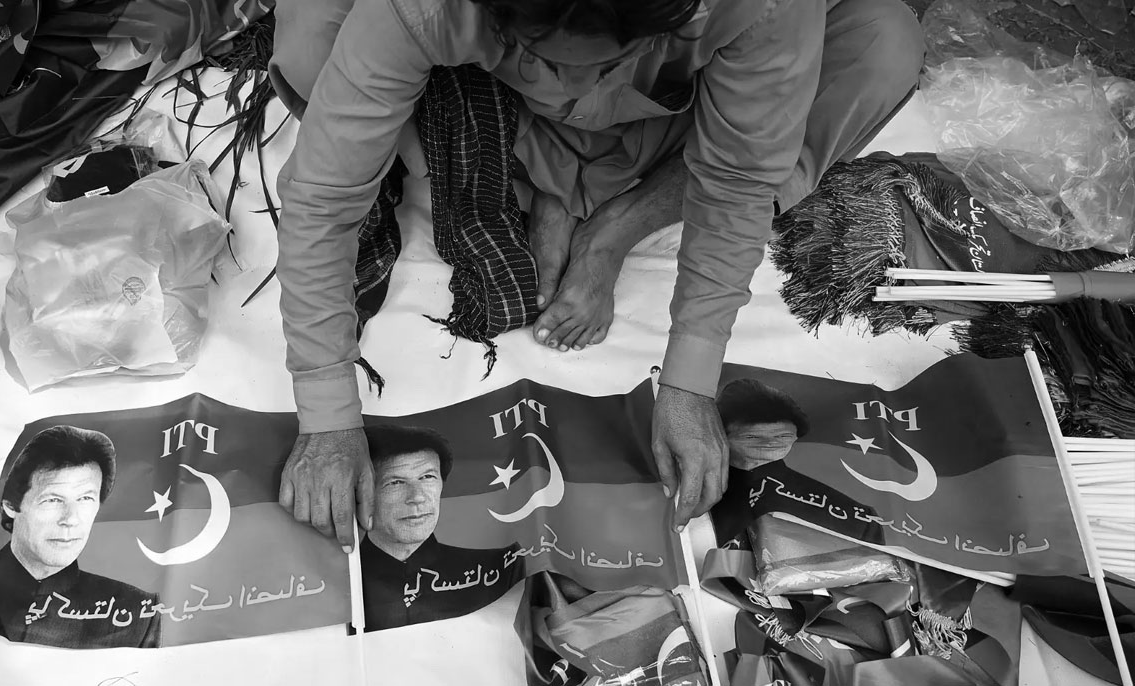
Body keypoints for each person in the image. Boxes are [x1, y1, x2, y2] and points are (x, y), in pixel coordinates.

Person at [270, 0, 927, 548]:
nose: (573, 82)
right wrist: (327, 416)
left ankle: (614, 218)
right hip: (498, 105)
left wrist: (691, 382)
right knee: (311, 37)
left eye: (600, 60)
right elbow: (323, 200)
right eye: (546, 52)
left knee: (882, 44)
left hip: (669, 115)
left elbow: (734, 183)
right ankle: (545, 183)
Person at [0, 426, 161, 649]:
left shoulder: (137, 611)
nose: (71, 519)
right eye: (53, 500)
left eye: (86, 498)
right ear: (10, 506)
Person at [359, 424, 522, 631]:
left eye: (428, 477)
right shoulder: (330, 583)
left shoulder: (501, 569)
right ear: (363, 493)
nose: (417, 497)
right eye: (396, 482)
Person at [710, 378, 883, 545]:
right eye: (752, 436)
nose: (770, 443)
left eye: (783, 436)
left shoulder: (858, 519)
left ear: (796, 436)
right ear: (722, 435)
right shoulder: (694, 489)